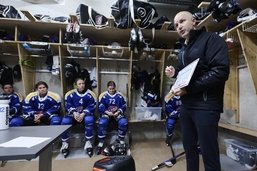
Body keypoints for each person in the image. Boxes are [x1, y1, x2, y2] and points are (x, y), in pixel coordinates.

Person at [165, 11, 230, 171]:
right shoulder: (183, 50)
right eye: (176, 25)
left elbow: (221, 71)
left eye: (182, 21)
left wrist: (189, 89)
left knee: (209, 154)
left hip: (206, 106)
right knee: (190, 151)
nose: (179, 26)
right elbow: (186, 76)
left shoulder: (212, 40)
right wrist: (175, 75)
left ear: (194, 21)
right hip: (187, 106)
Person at [60, 78, 96, 158]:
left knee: (89, 120)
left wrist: (83, 113)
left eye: (83, 83)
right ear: (76, 85)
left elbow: (92, 106)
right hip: (74, 115)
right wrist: (74, 113)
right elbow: (68, 105)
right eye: (79, 84)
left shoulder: (90, 94)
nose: (82, 85)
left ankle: (88, 143)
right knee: (65, 121)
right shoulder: (70, 94)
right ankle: (65, 144)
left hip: (85, 115)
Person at [96, 81, 128, 156]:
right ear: (107, 88)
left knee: (123, 122)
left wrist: (119, 111)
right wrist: (107, 112)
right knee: (102, 122)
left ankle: (121, 139)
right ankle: (101, 142)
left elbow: (124, 106)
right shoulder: (103, 96)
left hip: (116, 114)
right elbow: (101, 106)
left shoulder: (120, 96)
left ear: (115, 88)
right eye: (110, 89)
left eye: (113, 88)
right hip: (107, 114)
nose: (111, 90)